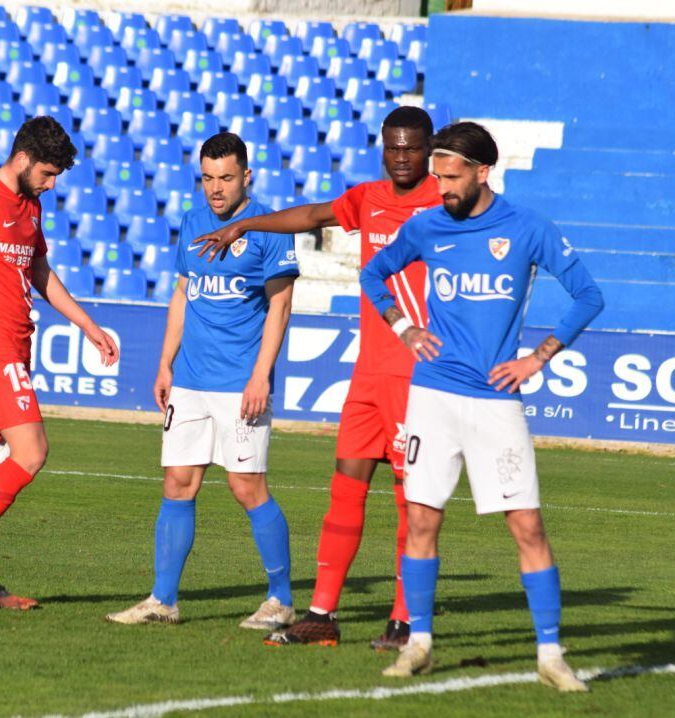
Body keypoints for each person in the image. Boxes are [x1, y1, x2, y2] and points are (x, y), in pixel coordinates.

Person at [359, 122, 603, 691]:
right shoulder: (427, 227)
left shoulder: (526, 228)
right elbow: (373, 273)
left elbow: (589, 294)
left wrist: (539, 357)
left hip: (496, 402)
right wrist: (404, 327)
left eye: (450, 176)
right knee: (421, 518)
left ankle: (550, 654)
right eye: (437, 175)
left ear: (482, 172)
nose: (440, 185)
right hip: (433, 396)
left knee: (527, 527)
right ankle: (418, 642)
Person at [193, 107, 441, 649]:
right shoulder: (370, 197)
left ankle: (403, 622)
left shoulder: (446, 202)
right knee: (344, 489)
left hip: (420, 379)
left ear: (429, 150)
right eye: (392, 148)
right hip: (369, 377)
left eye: (412, 148)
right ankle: (322, 615)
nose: (401, 158)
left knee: (411, 500)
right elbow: (310, 217)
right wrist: (244, 223)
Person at [106, 132, 300, 629]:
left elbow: (280, 305)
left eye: (227, 178)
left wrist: (261, 376)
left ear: (247, 177)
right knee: (178, 483)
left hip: (240, 382)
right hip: (190, 377)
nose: (216, 189)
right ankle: (163, 600)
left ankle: (280, 599)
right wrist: (165, 362)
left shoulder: (271, 228)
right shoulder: (192, 222)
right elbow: (182, 295)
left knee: (246, 487)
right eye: (208, 178)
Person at [0, 116, 119, 610]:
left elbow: (39, 270)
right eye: (48, 173)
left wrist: (88, 325)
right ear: (23, 159)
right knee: (32, 452)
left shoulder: (30, 205)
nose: (52, 183)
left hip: (18, 345)